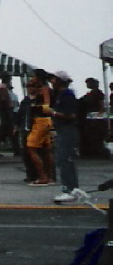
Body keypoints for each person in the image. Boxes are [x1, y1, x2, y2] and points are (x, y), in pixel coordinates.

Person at [50, 71, 83, 203]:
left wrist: (54, 113)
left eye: (53, 79)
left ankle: (69, 190)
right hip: (63, 130)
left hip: (67, 130)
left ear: (59, 80)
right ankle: (73, 189)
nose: (51, 81)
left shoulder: (67, 95)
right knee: (66, 160)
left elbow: (71, 115)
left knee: (64, 160)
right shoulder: (62, 95)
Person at [25, 76, 55, 186]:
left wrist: (39, 107)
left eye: (31, 85)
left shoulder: (44, 90)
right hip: (44, 121)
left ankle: (42, 176)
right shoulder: (41, 93)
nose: (28, 87)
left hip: (40, 121)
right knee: (46, 149)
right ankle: (49, 176)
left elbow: (46, 107)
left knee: (31, 147)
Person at [79, 77, 109, 159]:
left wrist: (100, 113)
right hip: (89, 116)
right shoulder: (90, 94)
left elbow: (101, 105)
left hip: (95, 117)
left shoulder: (98, 93)